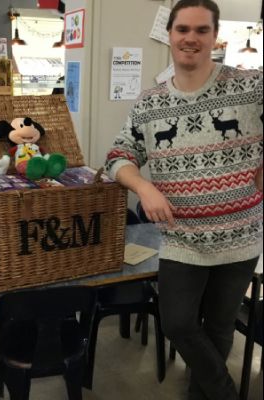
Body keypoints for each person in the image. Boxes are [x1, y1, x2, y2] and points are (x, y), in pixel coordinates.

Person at [105, 1, 263, 399]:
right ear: (170, 34)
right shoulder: (149, 103)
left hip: (240, 235)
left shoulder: (250, 87)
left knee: (220, 326)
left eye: (201, 30)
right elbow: (117, 156)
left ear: (215, 36)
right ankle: (224, 392)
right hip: (181, 238)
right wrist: (144, 187)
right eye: (183, 29)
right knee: (176, 323)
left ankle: (202, 393)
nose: (191, 38)